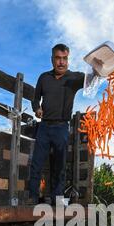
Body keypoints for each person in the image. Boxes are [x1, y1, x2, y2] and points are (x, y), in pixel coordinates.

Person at [29, 44, 85, 205]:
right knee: (37, 163)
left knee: (59, 166)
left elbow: (92, 78)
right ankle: (32, 198)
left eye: (64, 58)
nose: (61, 62)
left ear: (68, 59)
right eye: (58, 58)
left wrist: (101, 68)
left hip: (61, 127)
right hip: (44, 127)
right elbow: (35, 98)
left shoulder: (74, 78)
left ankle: (57, 200)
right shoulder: (43, 77)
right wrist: (36, 108)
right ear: (52, 59)